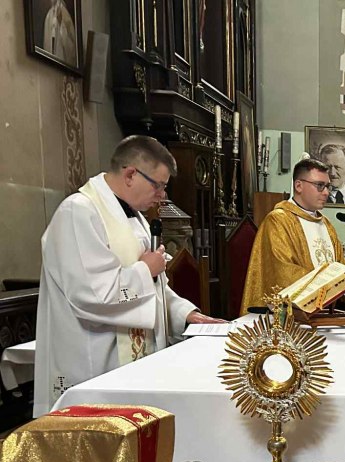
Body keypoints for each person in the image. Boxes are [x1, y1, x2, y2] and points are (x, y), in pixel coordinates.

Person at [34, 136, 221, 416]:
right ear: (131, 174)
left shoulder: (135, 218)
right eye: (158, 185)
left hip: (132, 365)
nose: (162, 195)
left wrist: (185, 314)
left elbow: (155, 287)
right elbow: (92, 296)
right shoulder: (78, 212)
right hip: (95, 363)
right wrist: (146, 269)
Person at [241, 158, 345, 312]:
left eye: (327, 186)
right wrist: (326, 286)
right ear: (298, 186)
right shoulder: (278, 221)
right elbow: (282, 272)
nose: (326, 192)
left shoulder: (327, 225)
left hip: (326, 312)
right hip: (291, 315)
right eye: (320, 186)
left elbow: (341, 265)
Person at [43, 0, 77, 66]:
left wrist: (61, 23)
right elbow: (47, 42)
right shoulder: (49, 15)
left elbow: (71, 43)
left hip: (61, 54)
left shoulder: (64, 12)